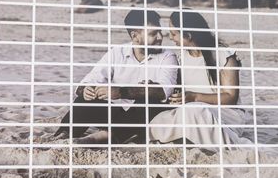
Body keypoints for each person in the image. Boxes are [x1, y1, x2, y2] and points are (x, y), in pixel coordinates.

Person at [55, 9, 178, 144]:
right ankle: (63, 134)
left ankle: (105, 136)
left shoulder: (167, 56)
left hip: (144, 116)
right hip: (117, 115)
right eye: (154, 34)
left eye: (160, 32)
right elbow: (89, 80)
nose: (160, 37)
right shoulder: (116, 52)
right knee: (84, 99)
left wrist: (121, 92)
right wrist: (86, 90)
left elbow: (164, 90)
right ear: (135, 36)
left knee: (149, 99)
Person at [148, 10, 251, 146]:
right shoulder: (182, 57)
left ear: (188, 35)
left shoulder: (222, 55)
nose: (171, 38)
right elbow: (178, 89)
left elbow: (230, 98)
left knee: (195, 111)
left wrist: (194, 97)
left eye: (174, 34)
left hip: (224, 113)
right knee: (158, 121)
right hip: (191, 110)